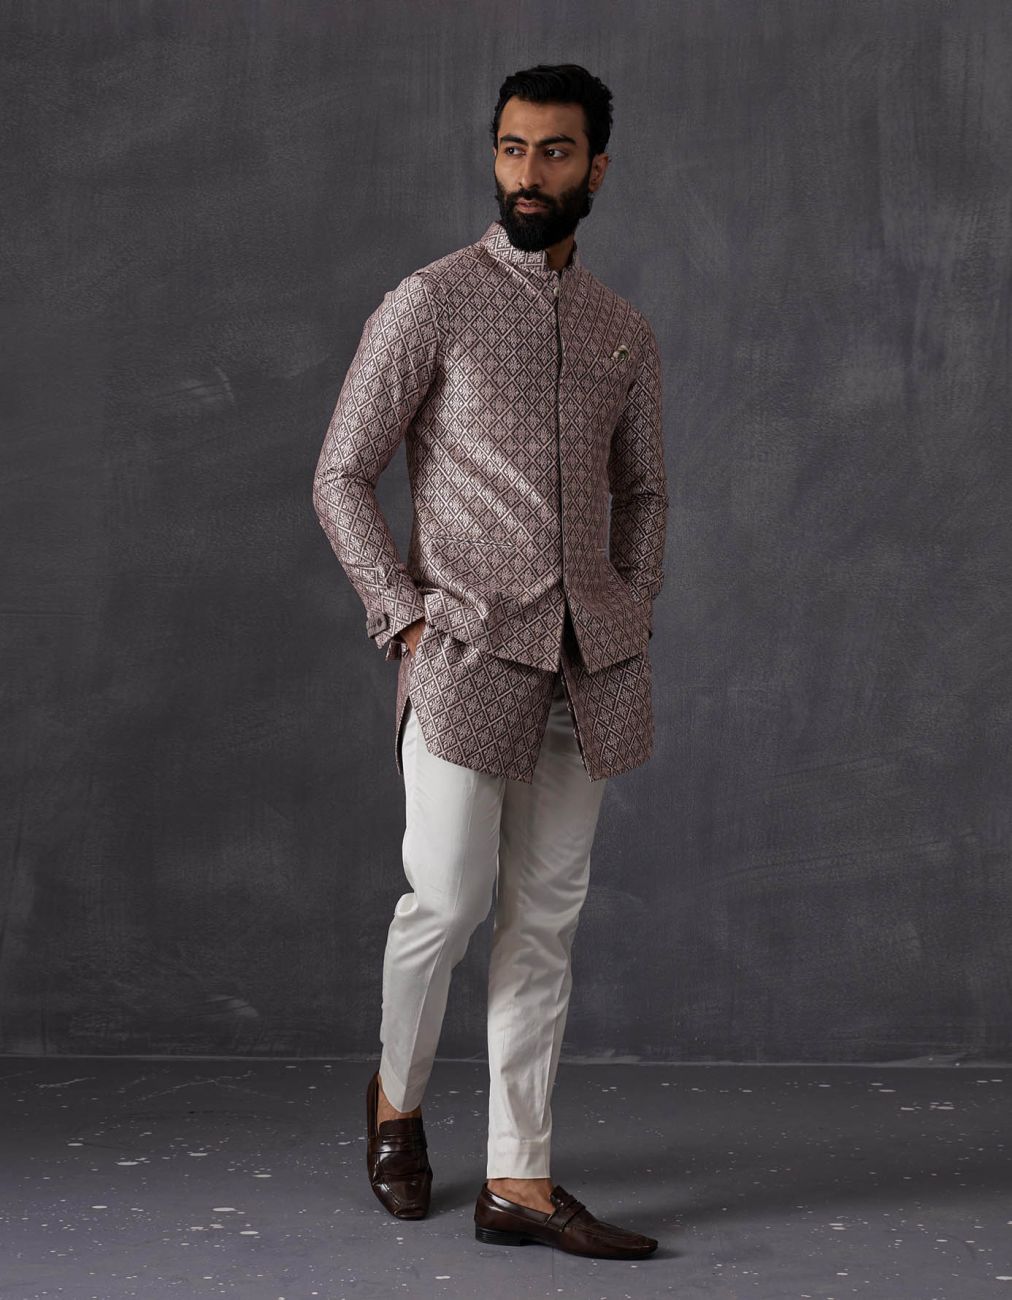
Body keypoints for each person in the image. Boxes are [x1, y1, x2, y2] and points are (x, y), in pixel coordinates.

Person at [313, 62, 667, 1260]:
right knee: (450, 898)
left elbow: (646, 491)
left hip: (587, 670)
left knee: (545, 922)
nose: (527, 173)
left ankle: (519, 1176)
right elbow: (340, 473)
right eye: (512, 148)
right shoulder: (430, 301)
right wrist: (404, 620)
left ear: (595, 167)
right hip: (463, 657)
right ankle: (395, 1098)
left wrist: (630, 605)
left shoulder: (622, 331)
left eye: (554, 152)